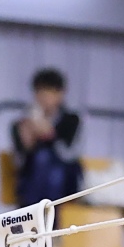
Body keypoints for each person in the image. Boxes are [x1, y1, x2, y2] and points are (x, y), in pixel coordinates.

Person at [10, 68, 83, 208]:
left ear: (61, 94)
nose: (45, 98)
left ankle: (42, 212)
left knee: (49, 164)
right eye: (41, 93)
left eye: (50, 93)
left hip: (65, 179)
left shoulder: (71, 120)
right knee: (40, 159)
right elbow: (19, 161)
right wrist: (28, 139)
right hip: (31, 180)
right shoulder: (23, 123)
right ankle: (42, 212)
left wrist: (50, 135)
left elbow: (69, 155)